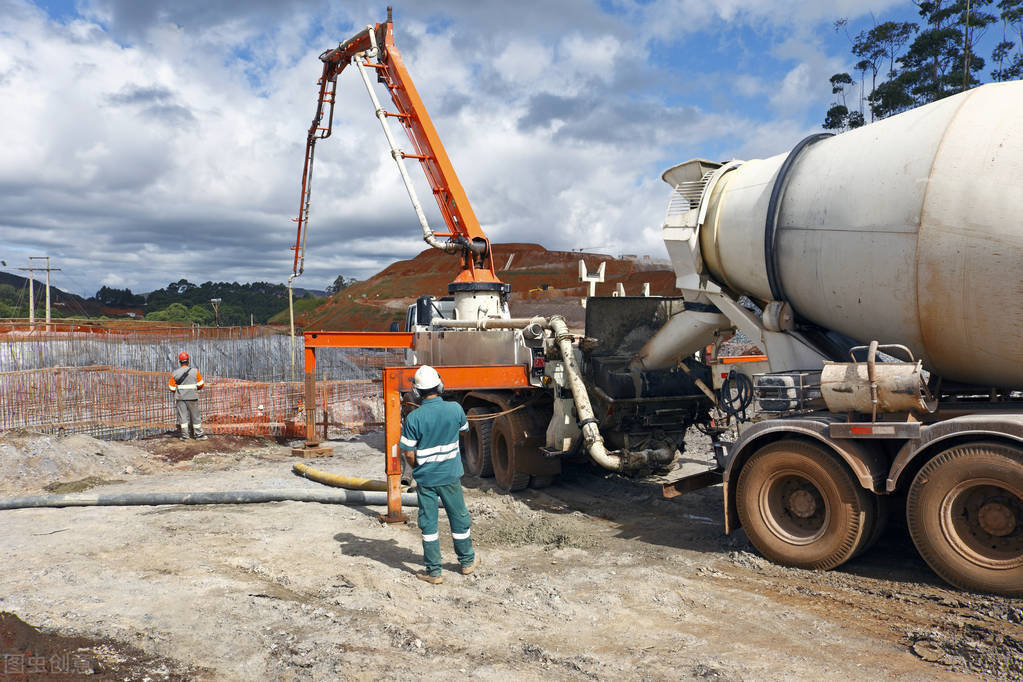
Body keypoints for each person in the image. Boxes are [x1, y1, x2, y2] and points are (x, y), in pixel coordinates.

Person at [400, 365, 477, 584]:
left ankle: (434, 572)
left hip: (426, 479)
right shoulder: (455, 409)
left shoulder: (414, 418)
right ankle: (467, 562)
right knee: (459, 518)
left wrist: (418, 469)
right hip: (451, 476)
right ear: (440, 385)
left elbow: (408, 453)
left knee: (428, 524)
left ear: (416, 391)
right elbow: (464, 430)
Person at [169, 351, 207, 441]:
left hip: (180, 398)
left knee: (183, 417)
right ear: (188, 361)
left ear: (180, 362)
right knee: (195, 416)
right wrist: (193, 389)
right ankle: (199, 435)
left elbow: (171, 387)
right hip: (192, 397)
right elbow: (201, 384)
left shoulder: (175, 373)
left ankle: (185, 436)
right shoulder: (195, 371)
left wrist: (180, 391)